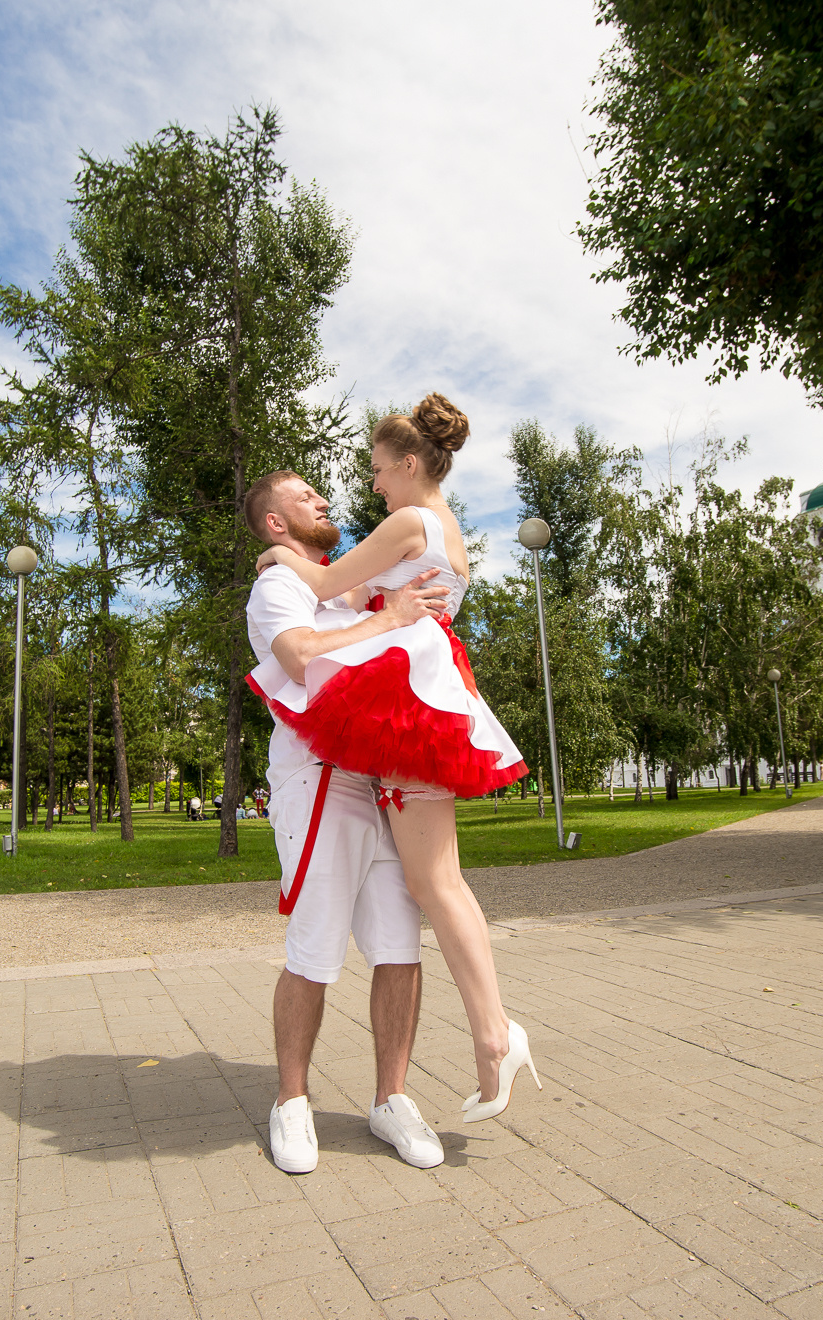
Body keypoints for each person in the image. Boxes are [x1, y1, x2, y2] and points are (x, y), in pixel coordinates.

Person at [247, 394, 539, 1123]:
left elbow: (321, 584)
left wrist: (282, 553)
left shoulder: (410, 522)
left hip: (409, 706)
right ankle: (491, 1039)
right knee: (434, 882)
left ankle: (496, 1036)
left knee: (435, 883)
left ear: (409, 464)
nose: (372, 482)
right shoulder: (449, 529)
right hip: (430, 695)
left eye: (379, 468)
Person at [246, 488, 456, 1174]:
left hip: (383, 779)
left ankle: (391, 1099)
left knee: (400, 947)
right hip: (318, 779)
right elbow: (304, 656)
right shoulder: (278, 587)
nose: (322, 496)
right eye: (303, 496)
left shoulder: (341, 583)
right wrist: (385, 619)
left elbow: (423, 576)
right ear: (275, 522)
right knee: (314, 948)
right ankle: (291, 1101)